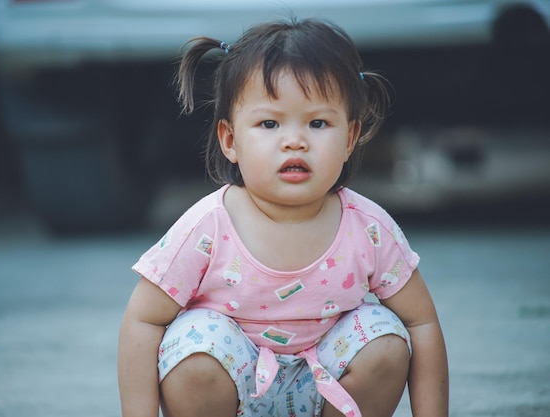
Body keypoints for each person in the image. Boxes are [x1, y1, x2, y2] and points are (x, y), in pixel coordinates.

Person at [118, 17, 448, 417]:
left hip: (327, 392)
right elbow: (143, 320)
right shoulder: (208, 227)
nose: (295, 140)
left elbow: (422, 324)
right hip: (231, 390)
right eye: (270, 123)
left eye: (318, 122)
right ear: (230, 140)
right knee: (193, 346)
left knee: (385, 337)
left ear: (349, 138)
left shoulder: (368, 229)